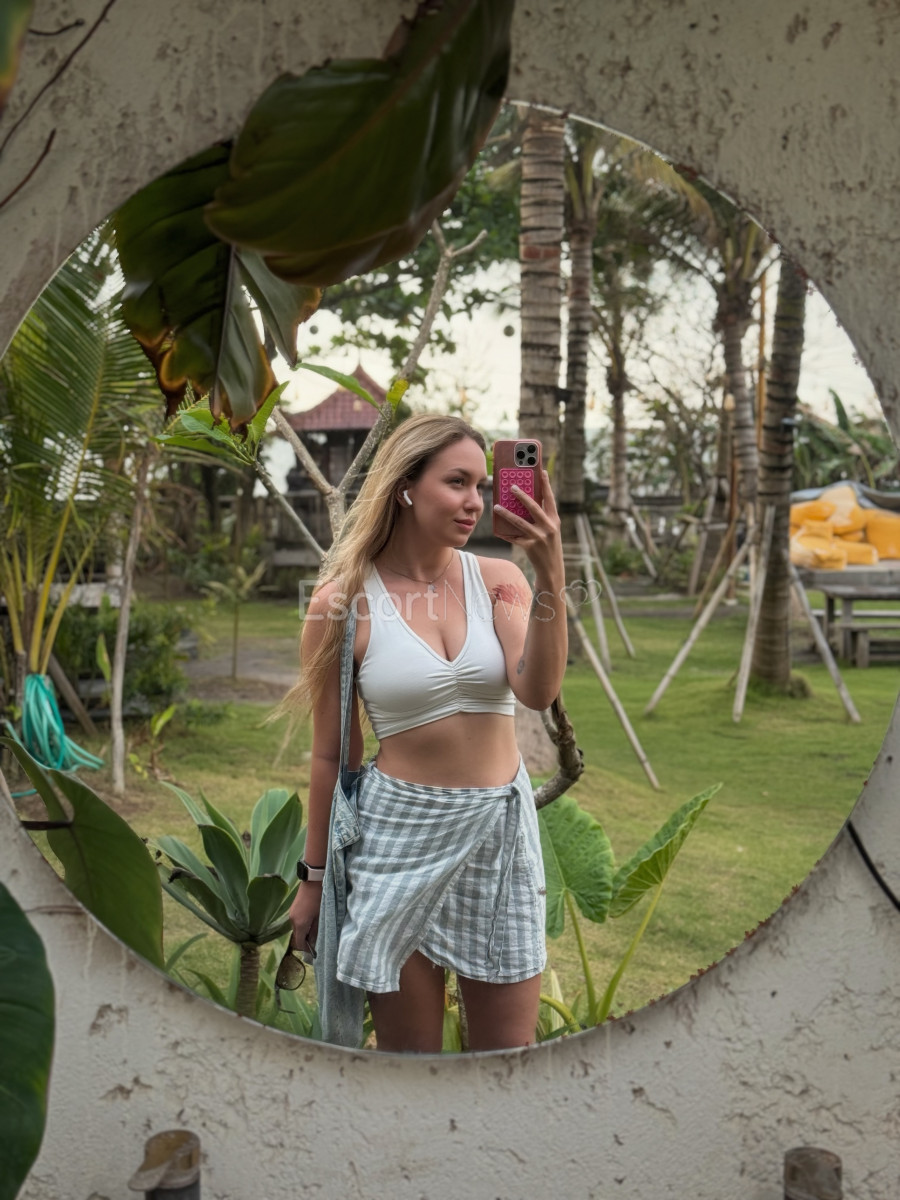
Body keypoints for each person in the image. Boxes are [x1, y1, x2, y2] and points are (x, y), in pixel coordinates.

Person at [288, 413, 567, 1052]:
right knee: (410, 1066)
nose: (476, 502)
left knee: (507, 1059)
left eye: (482, 486)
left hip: (499, 834)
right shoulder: (341, 603)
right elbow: (333, 756)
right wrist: (313, 880)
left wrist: (551, 575)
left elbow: (537, 690)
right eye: (457, 482)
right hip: (398, 839)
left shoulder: (500, 581)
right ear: (405, 487)